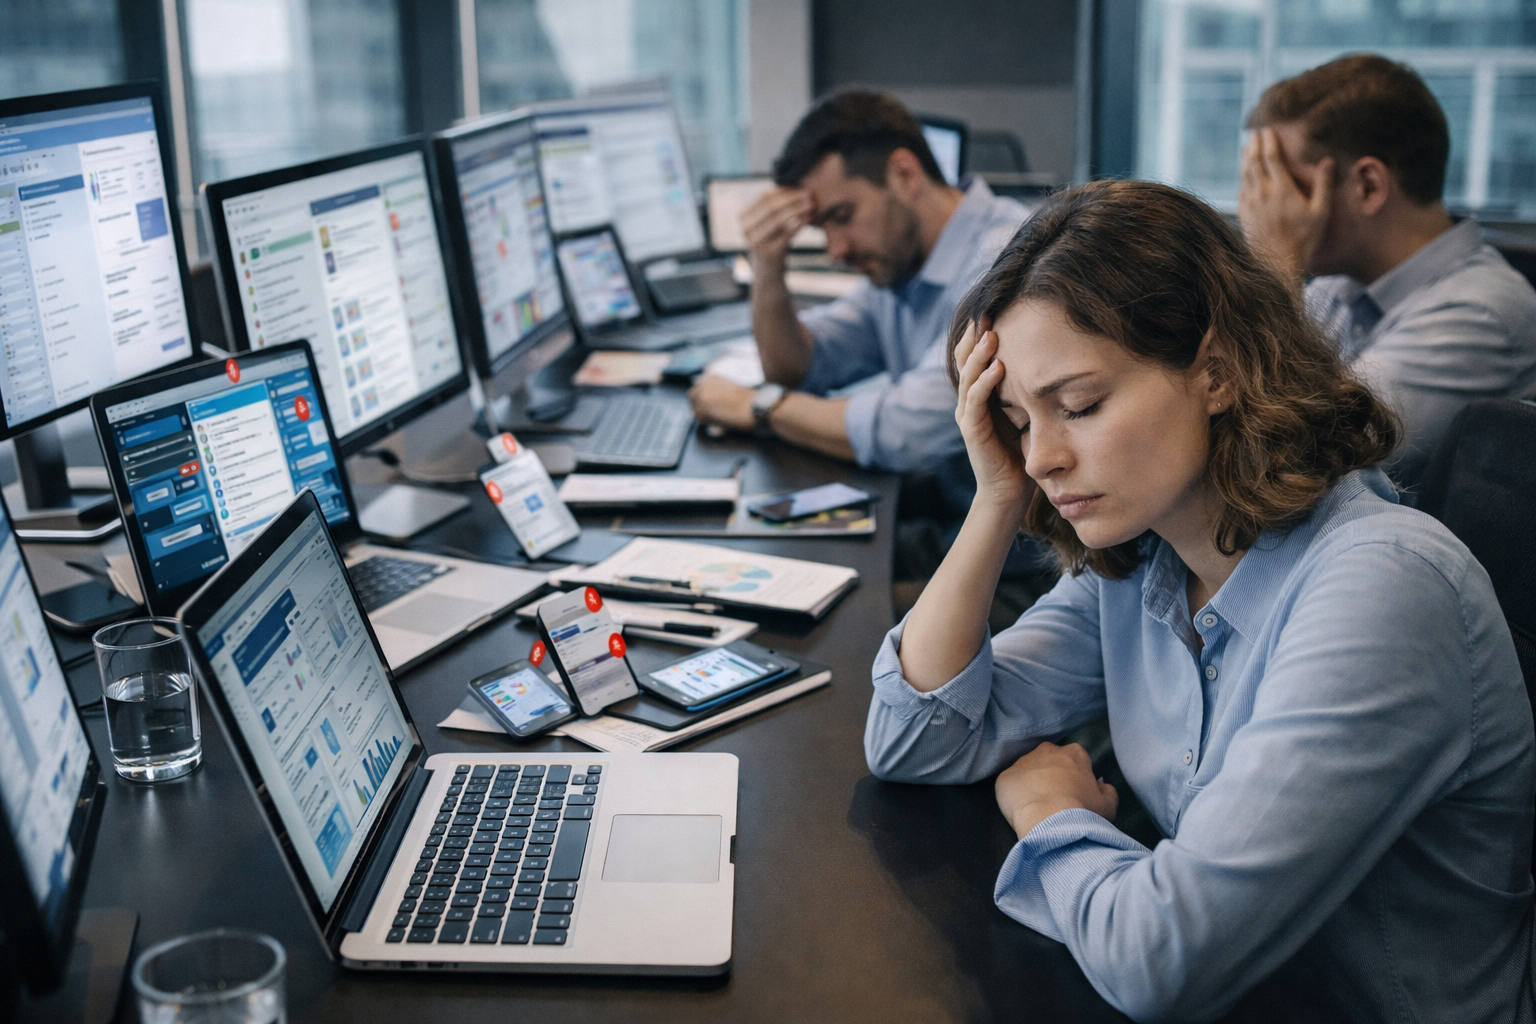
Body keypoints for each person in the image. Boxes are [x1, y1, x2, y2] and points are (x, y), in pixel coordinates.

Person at [864, 179, 1535, 1021]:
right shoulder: (1146, 554)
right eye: (1018, 420)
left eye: (1079, 405)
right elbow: (913, 736)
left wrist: (1050, 815)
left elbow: (1159, 961)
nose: (1042, 457)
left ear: (1216, 372)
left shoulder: (1382, 588)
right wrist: (995, 496)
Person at [687, 90, 1029, 479]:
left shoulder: (1004, 264)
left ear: (904, 174)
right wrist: (767, 263)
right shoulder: (900, 267)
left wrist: (758, 407)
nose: (835, 250)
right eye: (821, 228)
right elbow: (798, 368)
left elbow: (905, 433)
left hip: (1005, 538)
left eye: (843, 215)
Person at [1239, 53, 1536, 497]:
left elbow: (1298, 462)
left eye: (1284, 183)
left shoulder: (1479, 314)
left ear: (1368, 186)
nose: (1262, 207)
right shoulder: (1337, 289)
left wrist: (1274, 258)